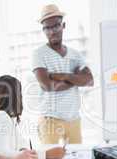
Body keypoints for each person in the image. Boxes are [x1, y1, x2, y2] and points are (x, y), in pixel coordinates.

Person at [31, 4, 94, 144]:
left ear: (63, 25)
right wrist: (76, 78)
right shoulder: (39, 54)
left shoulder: (75, 55)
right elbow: (47, 86)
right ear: (43, 30)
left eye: (56, 26)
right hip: (50, 120)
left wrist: (62, 75)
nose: (52, 31)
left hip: (74, 119)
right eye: (47, 28)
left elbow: (89, 81)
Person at [0, 75, 65, 159]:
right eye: (19, 93)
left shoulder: (7, 118)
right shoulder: (0, 117)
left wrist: (27, 151)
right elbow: (2, 153)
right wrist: (45, 155)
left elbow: (22, 145)